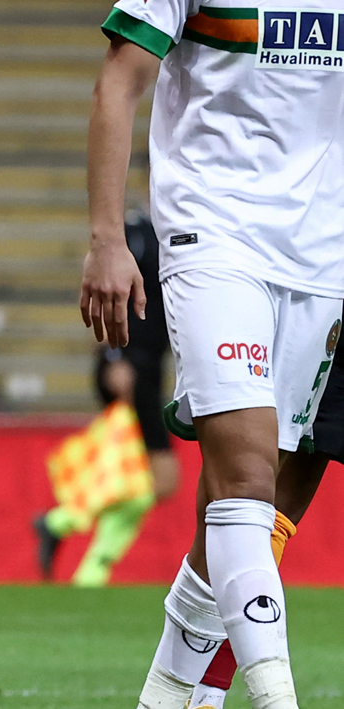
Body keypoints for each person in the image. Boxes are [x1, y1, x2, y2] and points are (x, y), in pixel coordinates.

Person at [80, 1, 344, 708]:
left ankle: (163, 699)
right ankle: (276, 699)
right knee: (248, 479)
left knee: (245, 506)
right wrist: (108, 239)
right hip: (215, 234)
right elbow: (119, 83)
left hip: (324, 258)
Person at [188, 336, 343, 709]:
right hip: (311, 304)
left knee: (265, 513)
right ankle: (205, 690)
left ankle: (204, 691)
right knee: (252, 506)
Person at [35, 349, 156, 587]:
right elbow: (114, 371)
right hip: (122, 421)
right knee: (125, 491)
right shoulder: (119, 347)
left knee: (123, 504)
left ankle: (88, 573)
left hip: (128, 419)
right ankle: (59, 524)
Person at [122, 208, 178, 504]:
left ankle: (59, 524)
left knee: (159, 478)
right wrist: (114, 357)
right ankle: (61, 521)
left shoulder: (178, 231)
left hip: (152, 365)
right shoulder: (138, 230)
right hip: (130, 364)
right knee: (160, 474)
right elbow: (111, 290)